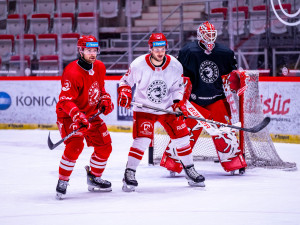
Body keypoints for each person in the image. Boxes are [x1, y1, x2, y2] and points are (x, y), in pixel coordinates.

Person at [118, 33, 205, 192]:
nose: (160, 52)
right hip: (144, 108)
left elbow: (177, 88)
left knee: (183, 137)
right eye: (156, 49)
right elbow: (125, 82)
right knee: (142, 140)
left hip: (167, 109)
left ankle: (189, 170)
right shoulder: (138, 65)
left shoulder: (175, 65)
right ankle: (129, 172)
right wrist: (124, 93)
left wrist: (178, 103)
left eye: (163, 48)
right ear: (150, 48)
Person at [160, 21, 247, 175]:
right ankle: (173, 163)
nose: (210, 37)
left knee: (224, 132)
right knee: (184, 132)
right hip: (194, 101)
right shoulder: (188, 51)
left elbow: (232, 74)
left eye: (212, 34)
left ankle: (234, 162)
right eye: (207, 34)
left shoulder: (224, 52)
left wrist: (237, 79)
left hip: (216, 99)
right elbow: (179, 75)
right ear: (200, 36)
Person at [55, 35, 114, 200]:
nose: (92, 53)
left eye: (94, 50)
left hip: (90, 114)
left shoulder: (100, 67)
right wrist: (77, 115)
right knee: (75, 146)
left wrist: (105, 99)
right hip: (69, 116)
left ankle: (94, 177)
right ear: (80, 51)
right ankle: (63, 180)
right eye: (88, 50)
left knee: (105, 146)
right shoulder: (72, 72)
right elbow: (65, 101)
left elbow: (100, 89)